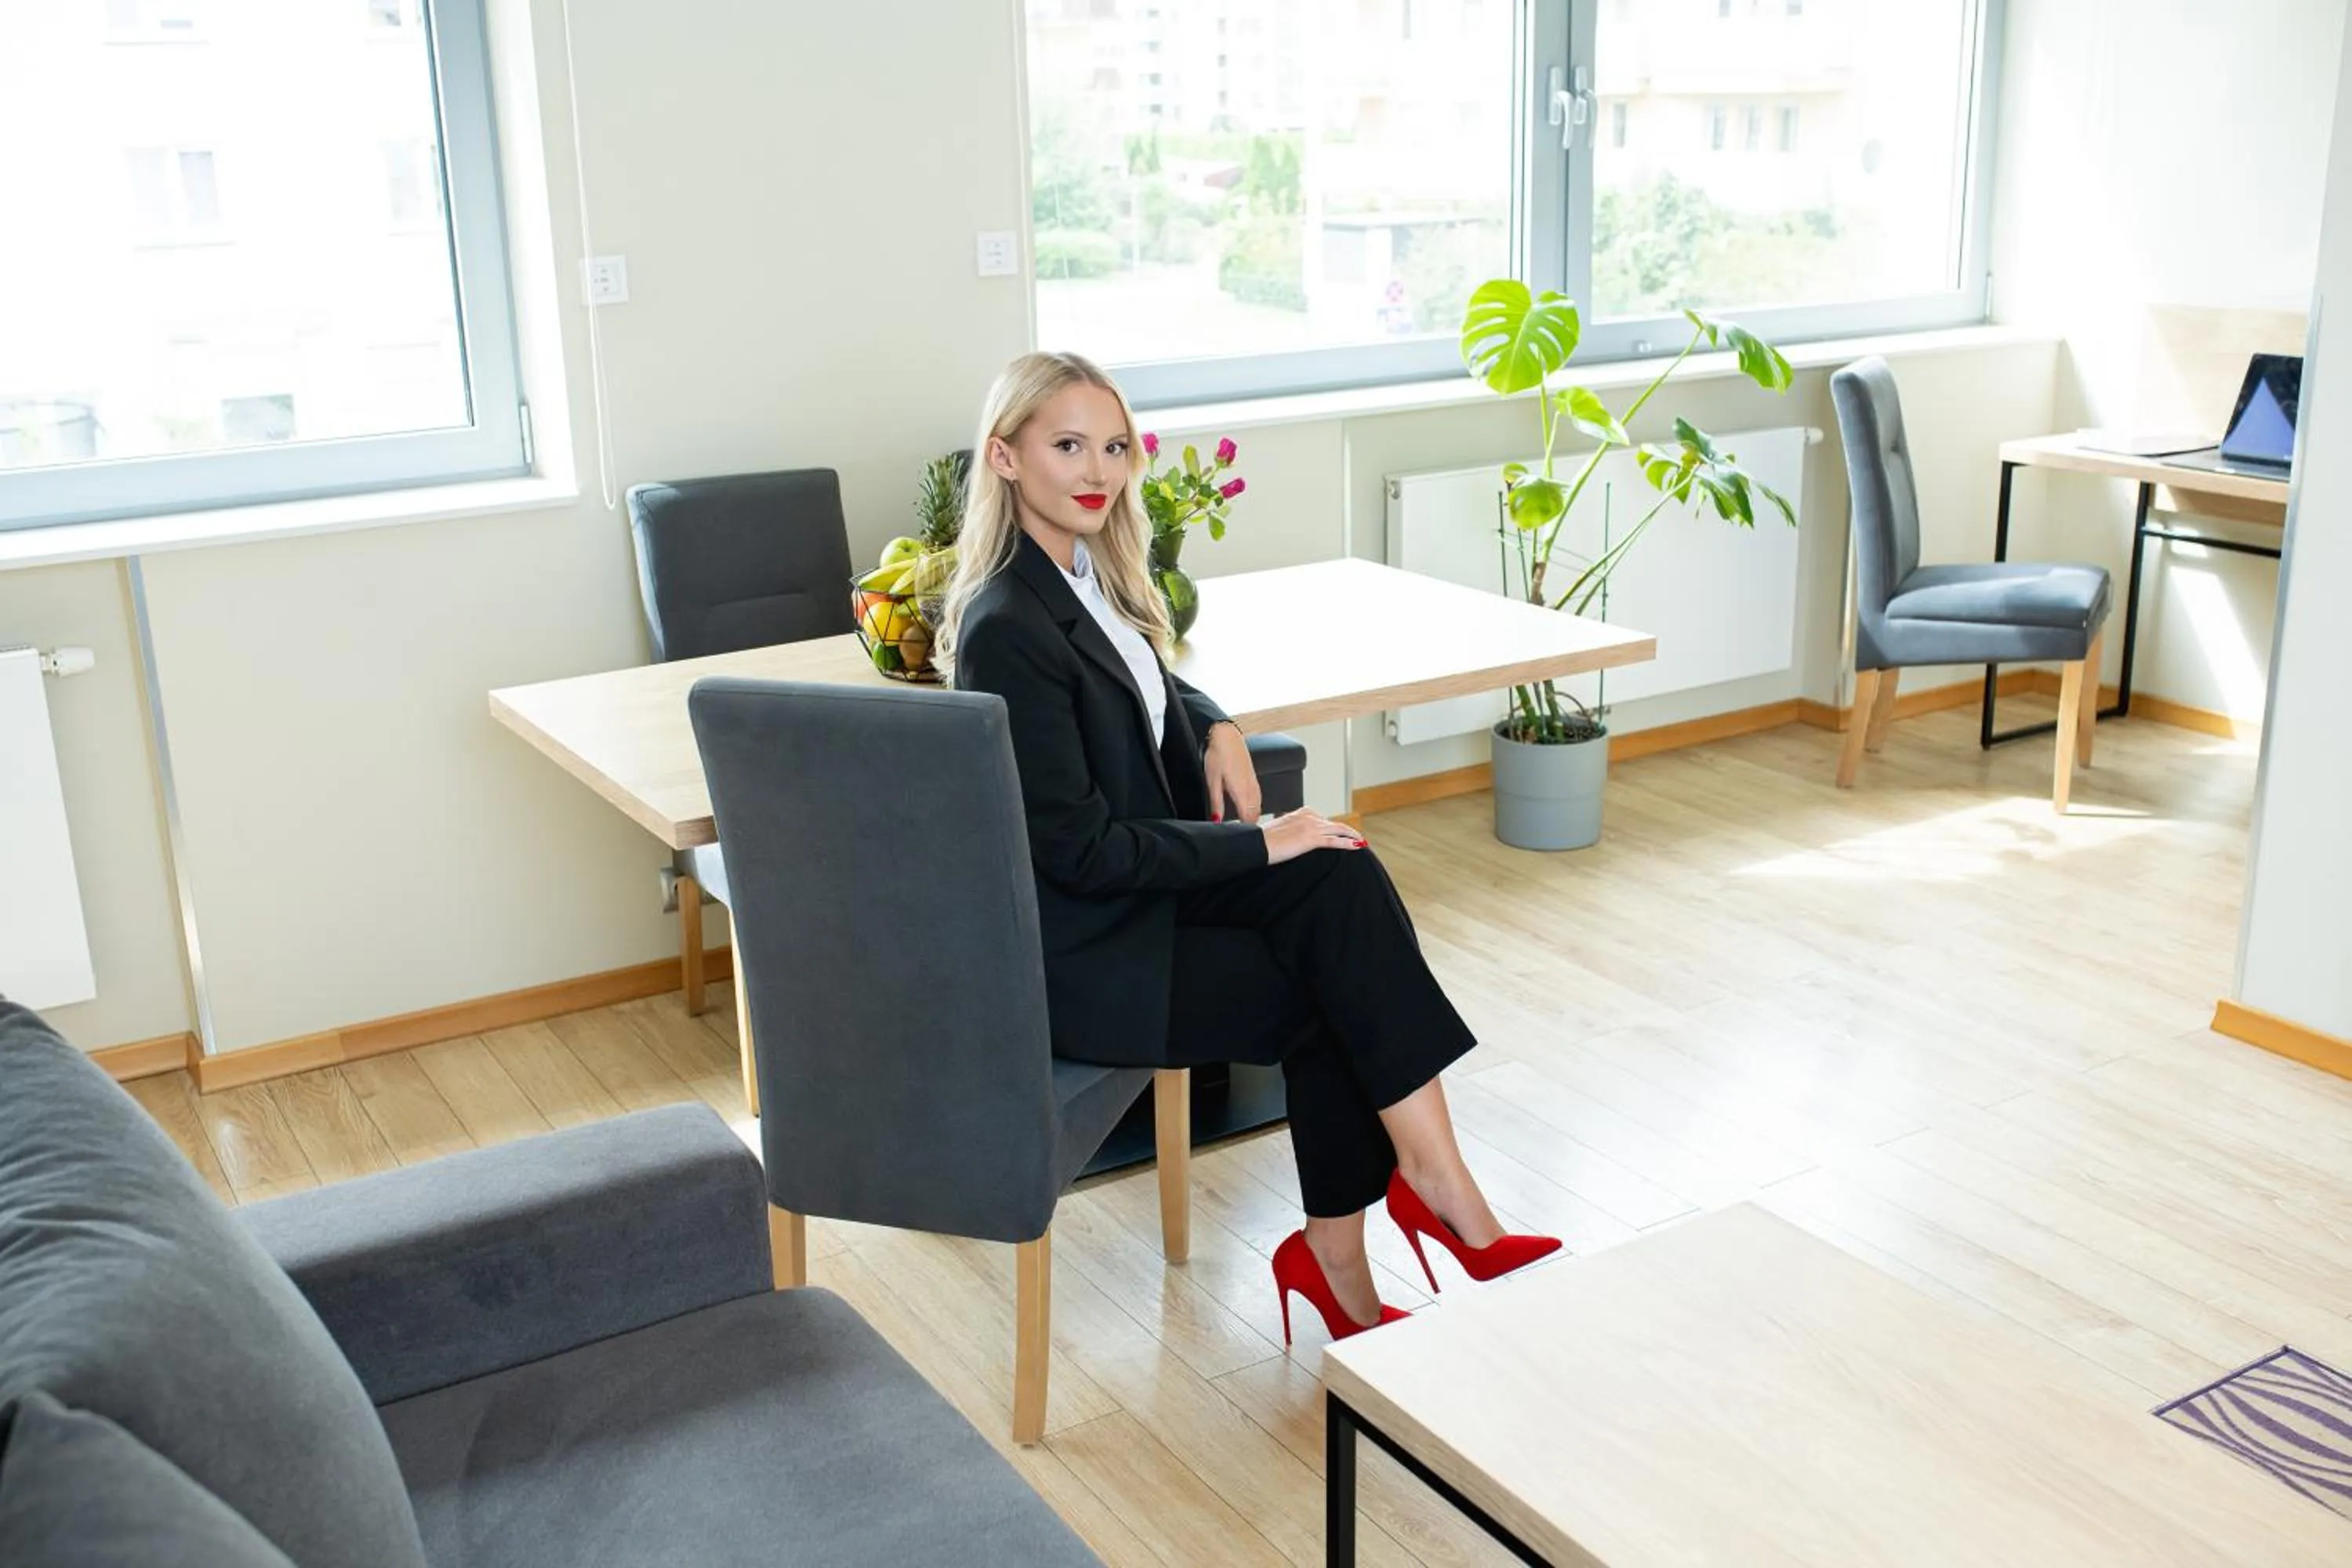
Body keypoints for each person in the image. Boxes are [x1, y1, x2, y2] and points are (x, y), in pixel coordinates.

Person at [941, 351, 1559, 1341]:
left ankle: (1395, 1217)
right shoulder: (1005, 622)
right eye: (1066, 447)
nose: (1097, 470)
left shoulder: (1087, 572)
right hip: (1098, 954)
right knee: (1333, 971)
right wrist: (1261, 845)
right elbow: (1082, 854)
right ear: (1005, 458)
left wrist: (1218, 721)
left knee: (1339, 876)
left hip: (1148, 907)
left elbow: (1142, 684)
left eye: (1112, 446)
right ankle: (1401, 1218)